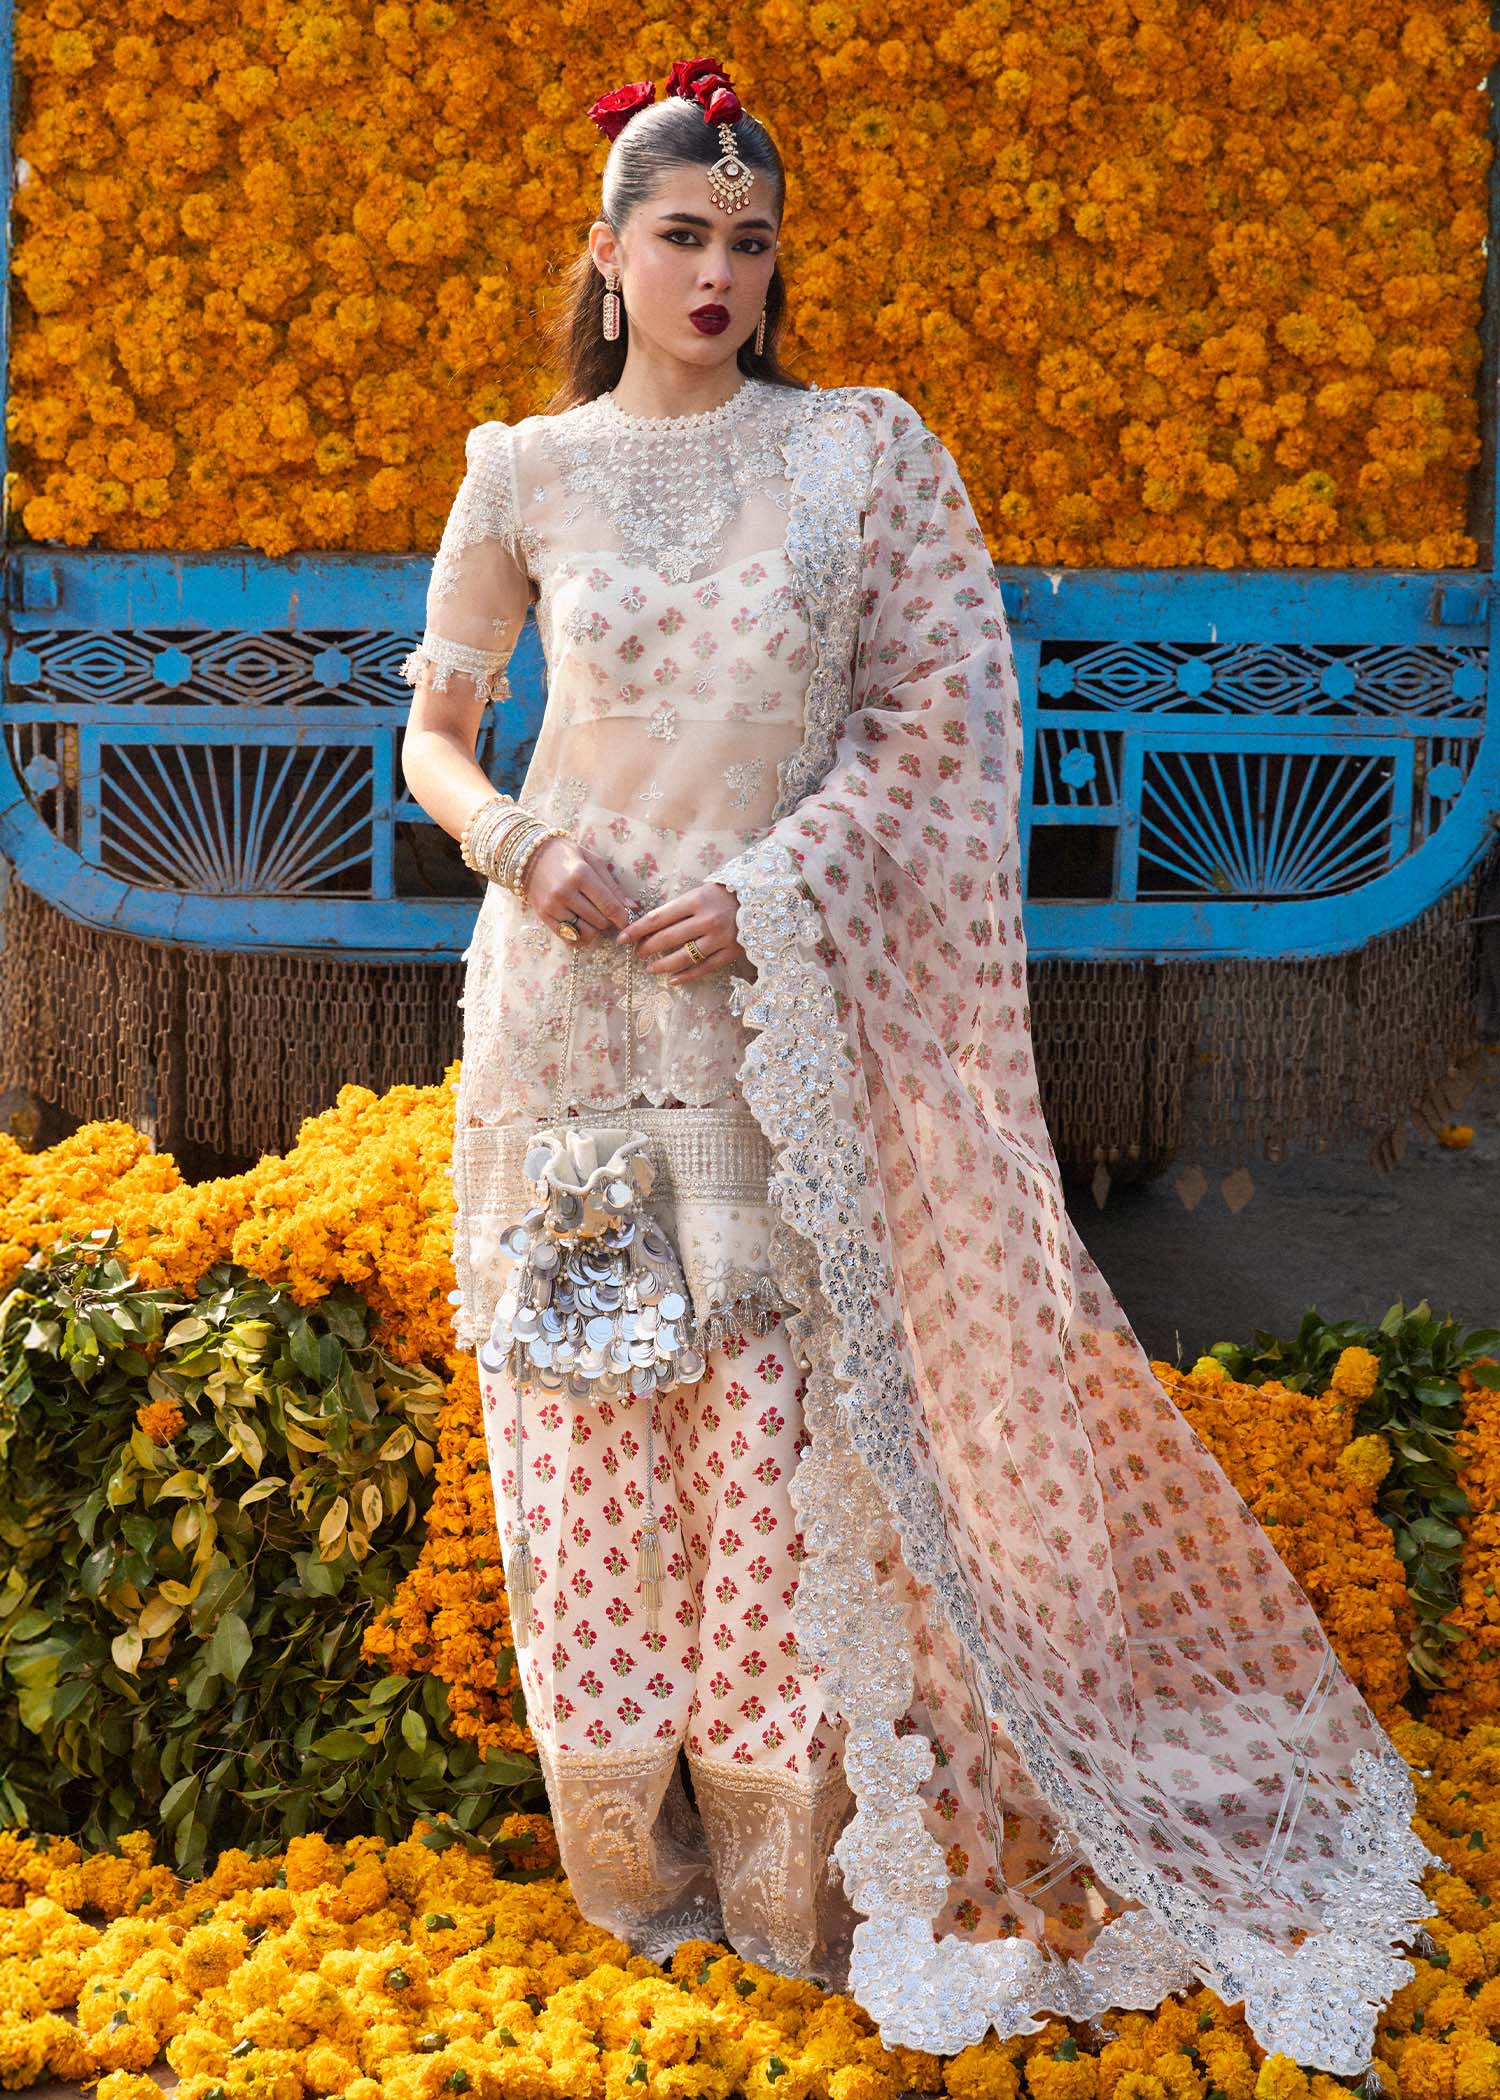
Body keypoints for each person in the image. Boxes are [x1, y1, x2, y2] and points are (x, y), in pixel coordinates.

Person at [398, 58, 1438, 2082]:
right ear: (606, 262)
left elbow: (939, 738)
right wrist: (526, 847)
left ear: (776, 271)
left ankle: (786, 1900)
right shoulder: (522, 469)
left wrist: (774, 887)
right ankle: (634, 1892)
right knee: (587, 1455)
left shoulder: (860, 460)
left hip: (781, 1037)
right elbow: (436, 740)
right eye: (679, 235)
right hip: (571, 1029)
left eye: (749, 240)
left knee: (785, 1472)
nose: (717, 271)